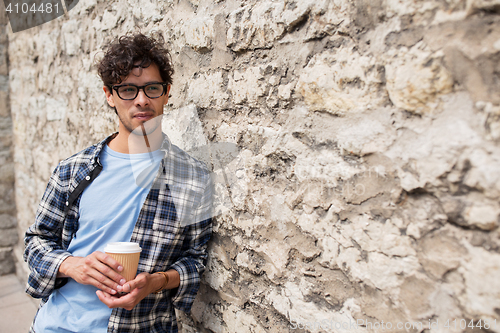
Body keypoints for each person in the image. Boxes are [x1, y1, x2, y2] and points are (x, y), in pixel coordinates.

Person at [24, 33, 213, 332]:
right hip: (58, 325)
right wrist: (73, 265)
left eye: (152, 88)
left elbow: (196, 259)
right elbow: (36, 241)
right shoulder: (71, 171)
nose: (142, 100)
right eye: (127, 89)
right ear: (109, 95)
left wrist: (156, 282)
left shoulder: (194, 178)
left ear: (166, 93)